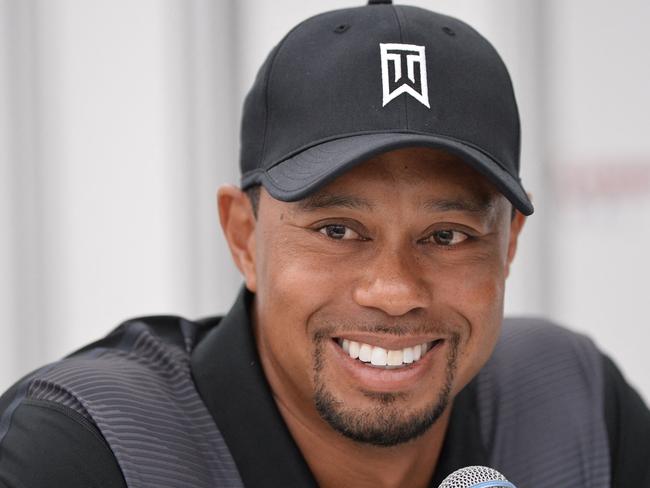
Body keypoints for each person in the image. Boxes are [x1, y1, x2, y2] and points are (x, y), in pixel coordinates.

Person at [1, 1, 649, 487]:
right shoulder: (92, 447)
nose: (394, 291)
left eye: (446, 236)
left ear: (508, 247)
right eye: (337, 231)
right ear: (244, 236)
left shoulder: (575, 405)